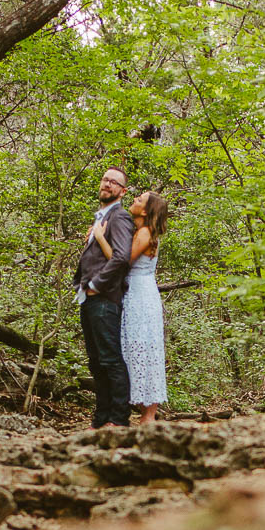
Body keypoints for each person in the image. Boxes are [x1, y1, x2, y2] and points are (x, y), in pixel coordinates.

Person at [94, 190, 169, 424]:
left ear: (146, 211)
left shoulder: (145, 232)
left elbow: (122, 263)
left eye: (139, 200)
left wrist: (100, 237)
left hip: (141, 296)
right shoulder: (139, 231)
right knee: (131, 349)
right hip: (132, 294)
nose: (134, 200)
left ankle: (149, 416)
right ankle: (139, 411)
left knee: (145, 349)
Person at [72, 166, 135, 428]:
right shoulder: (101, 217)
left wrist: (97, 284)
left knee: (110, 359)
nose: (107, 184)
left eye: (114, 182)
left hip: (104, 297)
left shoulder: (119, 217)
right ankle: (101, 418)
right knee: (96, 362)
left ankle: (119, 419)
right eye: (105, 179)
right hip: (88, 298)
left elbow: (121, 257)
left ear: (123, 191)